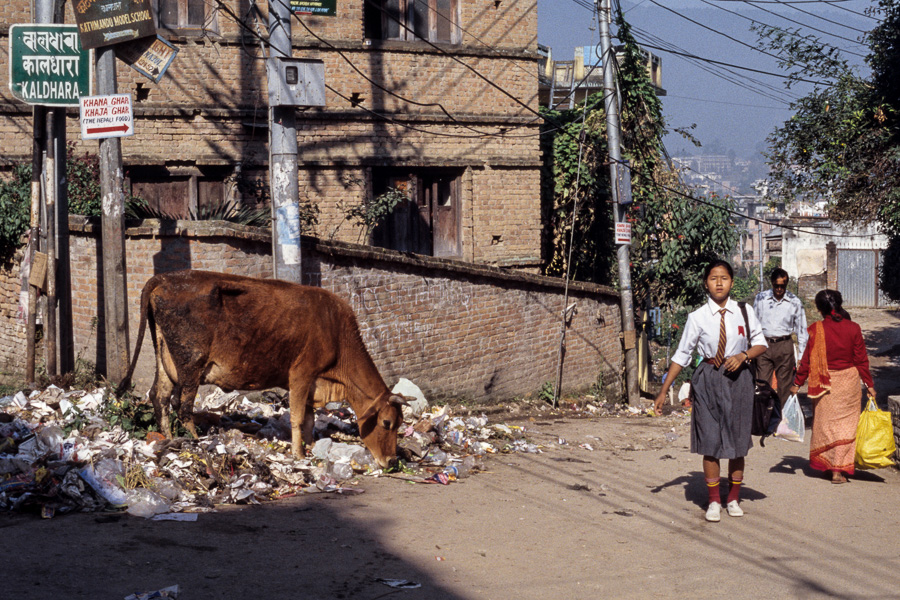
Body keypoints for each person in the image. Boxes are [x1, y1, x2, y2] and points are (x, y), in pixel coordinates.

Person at [654, 260, 768, 522]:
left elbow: (761, 343)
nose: (719, 283)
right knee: (710, 440)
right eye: (713, 278)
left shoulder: (745, 311)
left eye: (724, 278)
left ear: (732, 282)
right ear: (705, 282)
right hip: (707, 380)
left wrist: (743, 356)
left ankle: (733, 498)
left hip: (739, 379)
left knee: (738, 441)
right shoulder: (697, 317)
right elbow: (682, 355)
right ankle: (714, 501)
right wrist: (664, 391)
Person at [789, 289, 875, 484]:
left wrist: (797, 383)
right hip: (848, 384)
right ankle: (839, 469)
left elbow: (806, 362)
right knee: (846, 426)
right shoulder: (853, 328)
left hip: (824, 384)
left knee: (826, 426)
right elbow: (861, 359)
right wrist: (869, 384)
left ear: (820, 309)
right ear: (840, 304)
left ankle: (829, 465)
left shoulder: (815, 329)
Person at [753, 267, 808, 407]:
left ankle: (783, 418)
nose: (779, 289)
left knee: (785, 386)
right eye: (776, 286)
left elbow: (801, 330)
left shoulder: (794, 302)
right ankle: (763, 417)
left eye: (782, 286)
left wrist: (801, 355)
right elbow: (754, 324)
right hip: (764, 345)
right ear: (772, 283)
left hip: (784, 345)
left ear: (786, 284)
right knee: (762, 383)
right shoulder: (761, 298)